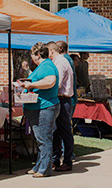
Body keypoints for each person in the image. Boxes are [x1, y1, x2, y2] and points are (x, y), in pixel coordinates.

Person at [22, 42, 60, 178]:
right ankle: (39, 165)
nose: (31, 57)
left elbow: (50, 81)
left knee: (44, 139)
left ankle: (45, 169)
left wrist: (31, 84)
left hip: (44, 107)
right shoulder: (42, 66)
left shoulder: (47, 66)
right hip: (38, 107)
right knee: (40, 139)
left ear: (38, 54)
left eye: (32, 54)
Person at [48, 41, 75, 172]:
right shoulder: (62, 61)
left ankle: (67, 160)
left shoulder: (59, 62)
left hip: (63, 99)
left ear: (52, 51)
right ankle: (56, 159)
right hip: (62, 99)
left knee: (63, 131)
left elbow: (56, 83)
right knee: (57, 131)